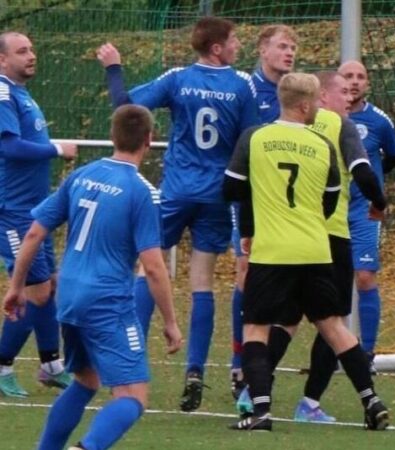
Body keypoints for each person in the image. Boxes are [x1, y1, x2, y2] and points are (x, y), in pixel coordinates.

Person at [96, 16, 260, 411]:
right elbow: (251, 141)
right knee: (201, 282)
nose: (238, 45)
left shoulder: (178, 78)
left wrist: (114, 68)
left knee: (147, 268)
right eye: (234, 40)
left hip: (176, 191)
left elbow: (125, 107)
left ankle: (127, 364)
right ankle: (195, 371)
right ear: (217, 48)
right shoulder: (241, 86)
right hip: (218, 195)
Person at [2, 104, 182, 450]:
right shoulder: (142, 191)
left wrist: (15, 287)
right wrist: (171, 321)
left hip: (68, 297)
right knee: (133, 396)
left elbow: (34, 234)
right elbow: (154, 266)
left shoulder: (81, 176)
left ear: (112, 136)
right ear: (149, 139)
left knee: (86, 379)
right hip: (107, 300)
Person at [223, 72, 389, 431]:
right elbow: (331, 199)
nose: (322, 106)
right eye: (317, 101)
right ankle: (371, 401)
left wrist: (254, 225)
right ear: (305, 103)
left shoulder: (256, 138)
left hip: (272, 251)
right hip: (318, 247)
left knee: (258, 327)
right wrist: (311, 220)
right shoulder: (323, 144)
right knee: (333, 326)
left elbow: (231, 189)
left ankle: (260, 409)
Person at [0, 31, 78, 397]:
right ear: (2, 60)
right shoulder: (1, 93)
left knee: (46, 287)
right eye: (21, 51)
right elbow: (11, 147)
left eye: (32, 48)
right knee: (33, 291)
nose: (31, 55)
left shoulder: (20, 93)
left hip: (34, 208)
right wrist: (55, 148)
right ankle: (2, 365)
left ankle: (51, 364)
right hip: (11, 210)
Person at [229, 24, 299, 400]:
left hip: (285, 207)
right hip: (250, 199)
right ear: (262, 49)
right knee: (245, 275)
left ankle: (257, 364)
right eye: (282, 46)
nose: (289, 53)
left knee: (284, 292)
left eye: (292, 48)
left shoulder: (295, 93)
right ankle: (239, 363)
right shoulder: (245, 90)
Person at [337, 60, 395, 368]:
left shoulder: (379, 121)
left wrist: (373, 184)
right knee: (329, 281)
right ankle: (334, 346)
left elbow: (394, 155)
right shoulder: (323, 117)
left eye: (360, 76)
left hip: (364, 211)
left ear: (367, 84)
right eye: (348, 76)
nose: (353, 81)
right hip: (329, 210)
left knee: (364, 277)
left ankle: (368, 352)